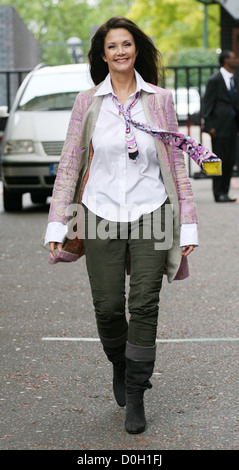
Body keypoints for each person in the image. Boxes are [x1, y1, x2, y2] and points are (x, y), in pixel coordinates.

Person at [43, 16, 199, 434]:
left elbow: (175, 166)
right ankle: (120, 364)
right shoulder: (88, 102)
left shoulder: (160, 100)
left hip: (154, 212)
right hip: (98, 213)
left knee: (145, 303)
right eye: (112, 46)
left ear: (137, 49)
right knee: (109, 307)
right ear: (102, 55)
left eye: (126, 44)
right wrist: (58, 224)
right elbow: (70, 164)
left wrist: (188, 225)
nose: (120, 52)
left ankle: (136, 392)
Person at [203, 50, 239, 203]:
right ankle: (218, 193)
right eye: (233, 58)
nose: (236, 60)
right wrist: (209, 126)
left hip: (232, 126)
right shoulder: (215, 80)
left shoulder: (234, 79)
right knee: (218, 160)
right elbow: (207, 103)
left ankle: (224, 192)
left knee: (230, 160)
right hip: (218, 128)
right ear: (226, 61)